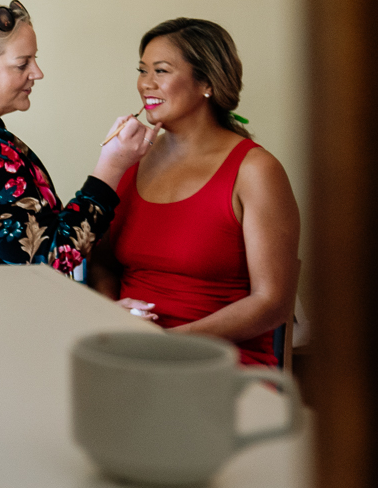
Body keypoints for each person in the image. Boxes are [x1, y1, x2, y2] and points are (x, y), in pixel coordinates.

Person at [88, 18, 301, 366]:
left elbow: (272, 303)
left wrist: (169, 342)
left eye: (161, 71)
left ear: (206, 82)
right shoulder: (129, 160)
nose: (146, 84)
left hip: (221, 363)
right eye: (143, 70)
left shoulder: (256, 171)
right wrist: (113, 313)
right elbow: (102, 262)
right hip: (132, 358)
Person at [0, 0, 152, 273]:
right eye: (22, 64)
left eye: (35, 59)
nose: (38, 73)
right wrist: (111, 166)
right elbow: (50, 258)